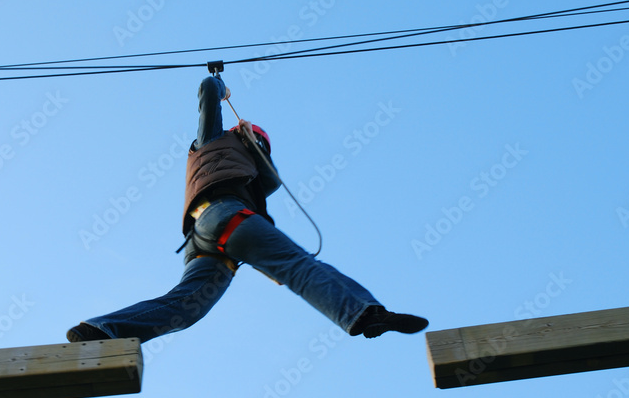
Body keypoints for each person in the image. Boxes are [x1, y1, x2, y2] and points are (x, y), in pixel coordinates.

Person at [66, 73, 428, 344]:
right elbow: (208, 92)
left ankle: (100, 330)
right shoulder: (214, 142)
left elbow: (267, 196)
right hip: (221, 216)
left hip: (210, 240)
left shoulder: (255, 179)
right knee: (300, 266)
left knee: (186, 307)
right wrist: (219, 88)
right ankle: (365, 313)